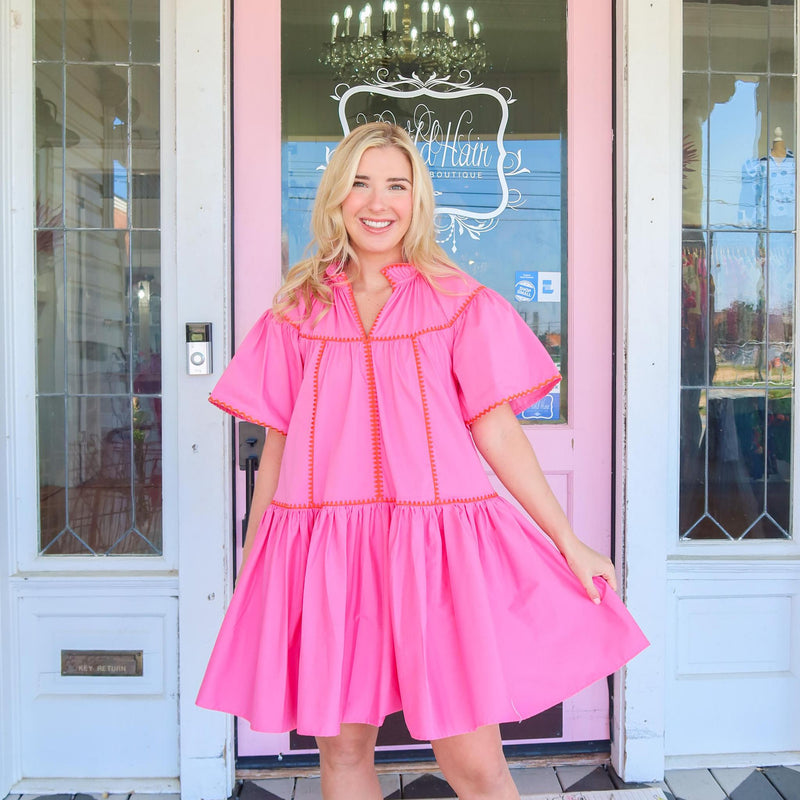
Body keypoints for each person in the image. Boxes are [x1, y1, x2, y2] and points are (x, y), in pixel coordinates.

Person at [196, 122, 648, 800]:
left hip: (438, 556)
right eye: (360, 183)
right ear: (336, 197)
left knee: (474, 764)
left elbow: (499, 435)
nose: (378, 202)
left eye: (397, 186)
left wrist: (569, 542)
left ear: (417, 200)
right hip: (329, 558)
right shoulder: (296, 313)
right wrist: (257, 565)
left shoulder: (459, 303)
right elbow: (277, 451)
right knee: (344, 755)